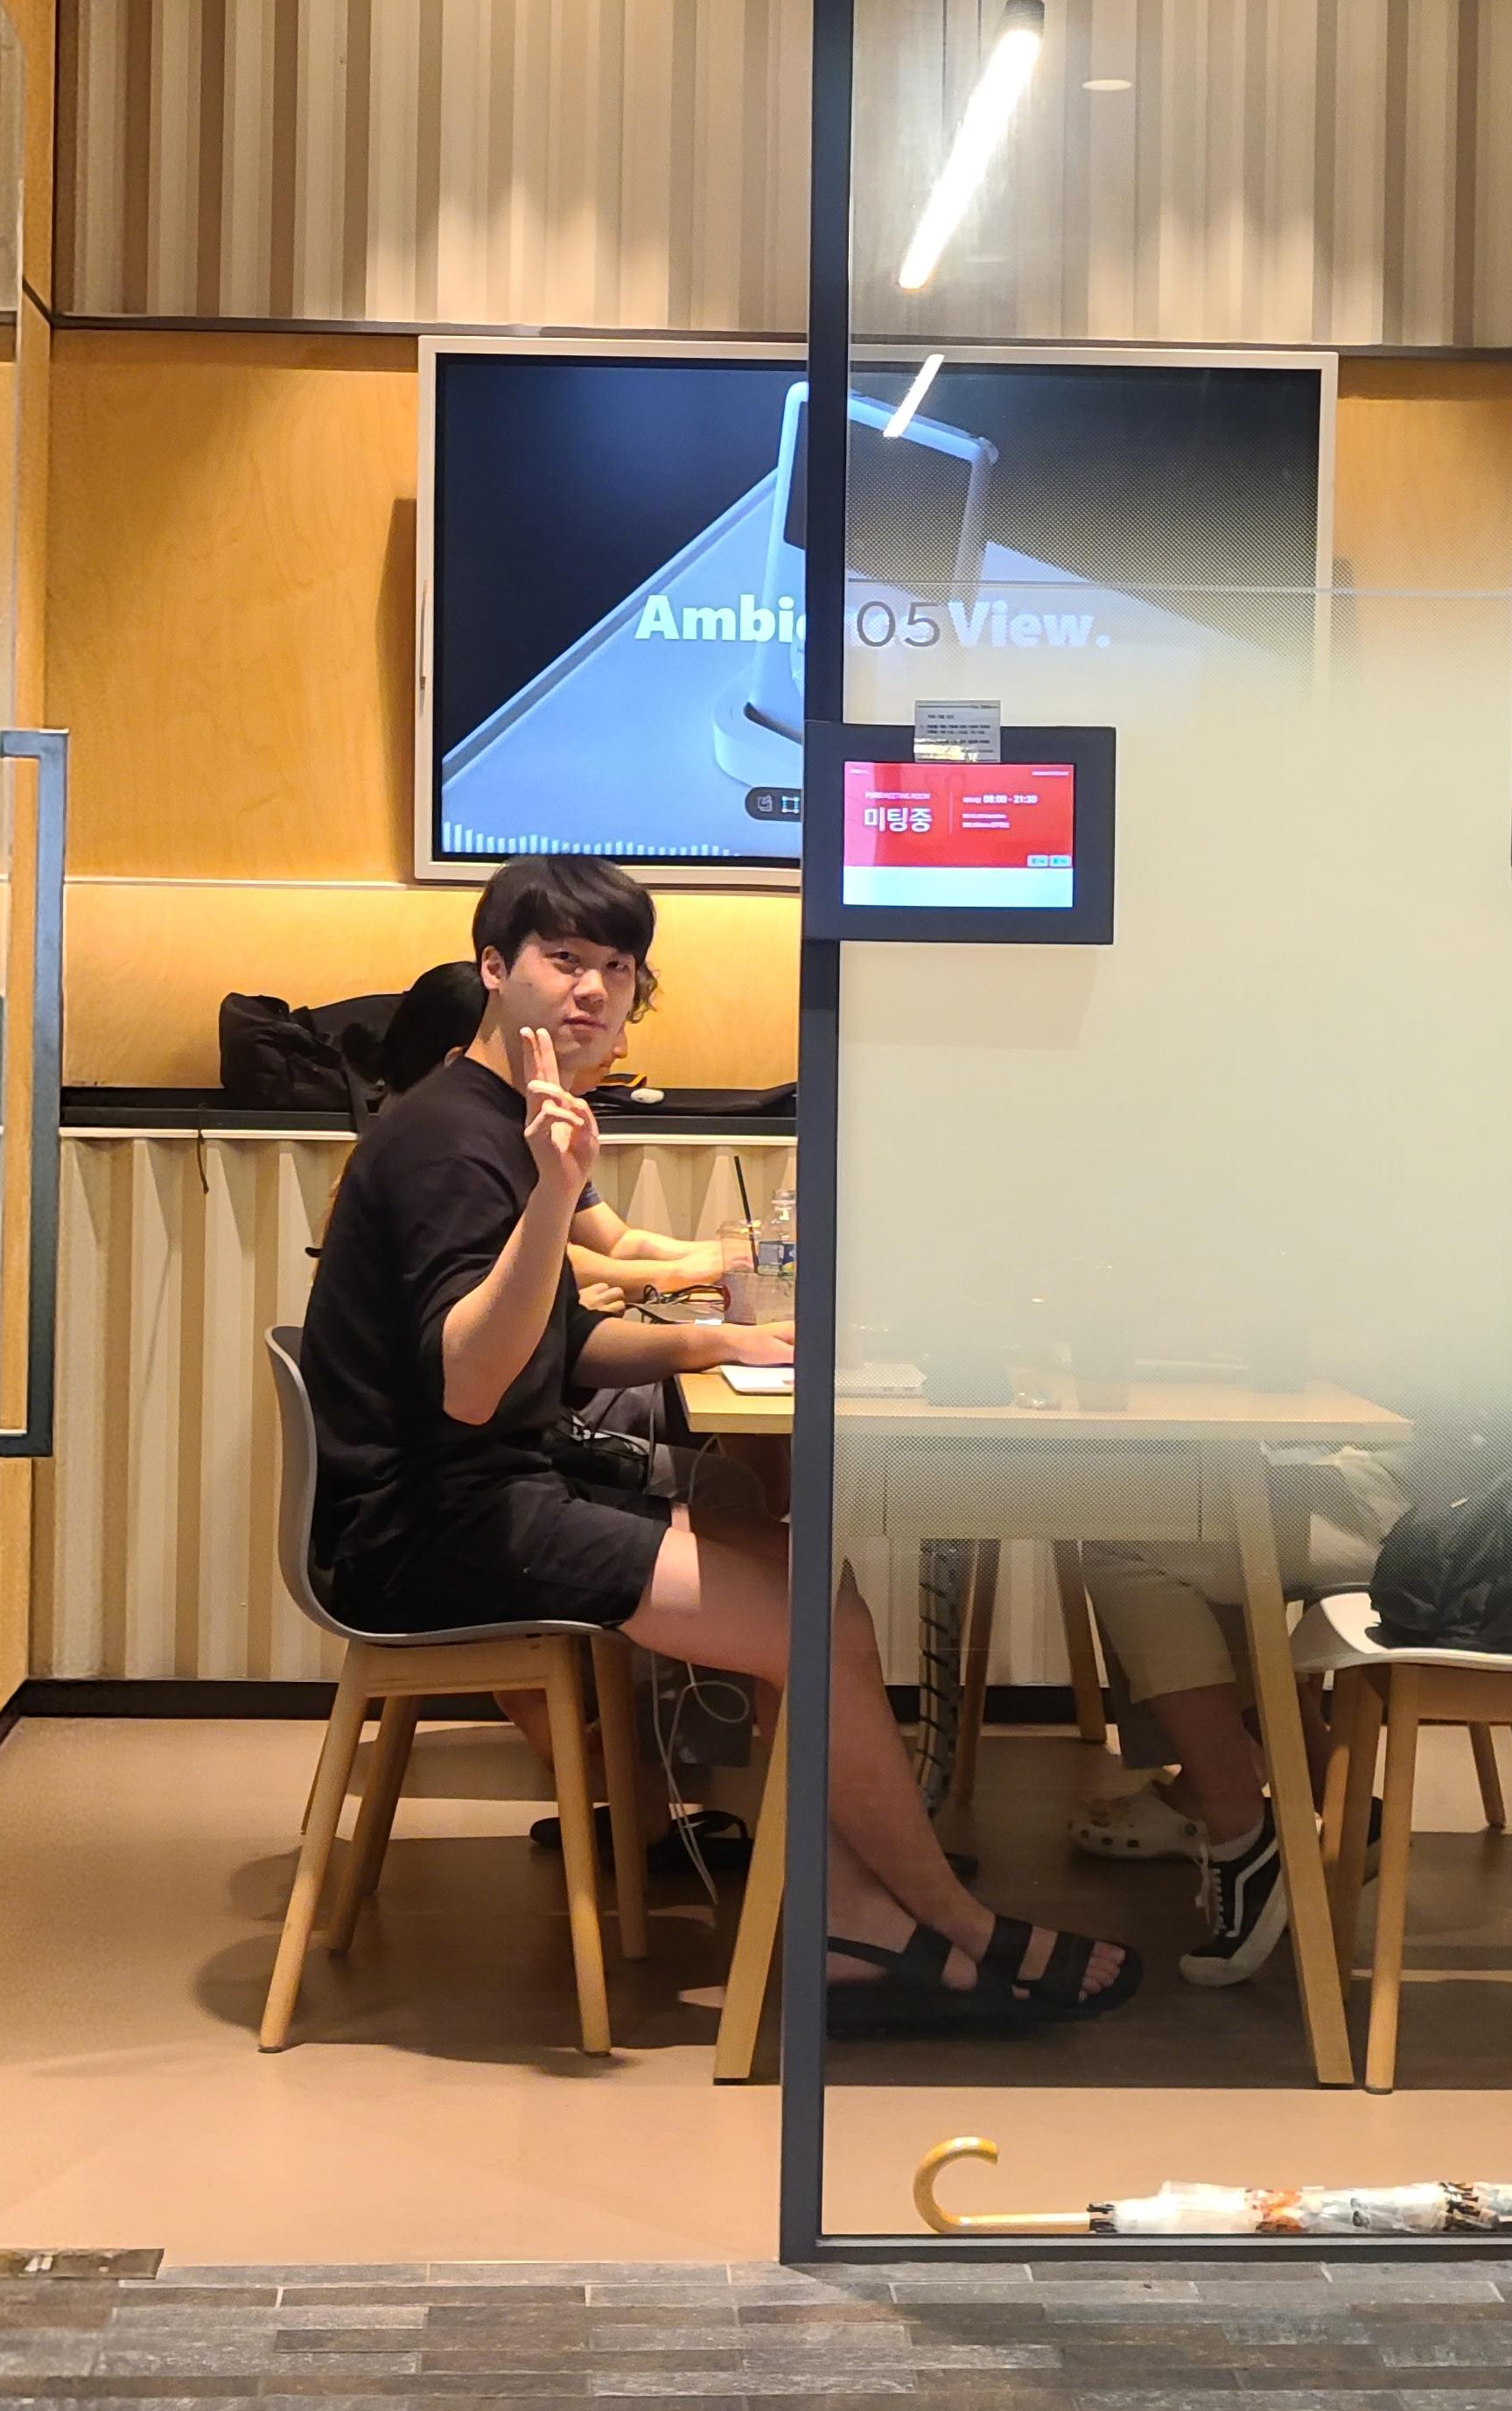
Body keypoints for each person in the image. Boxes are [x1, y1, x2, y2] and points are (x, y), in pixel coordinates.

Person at [300, 853, 1138, 2033]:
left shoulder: (499, 1116)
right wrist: (555, 1195)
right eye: (563, 961)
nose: (594, 990)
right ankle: (949, 1920)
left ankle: (857, 1917)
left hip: (488, 1492)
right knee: (818, 1624)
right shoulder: (455, 1140)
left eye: (618, 968)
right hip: (433, 1529)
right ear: (494, 969)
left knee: (813, 1587)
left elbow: (558, 1340)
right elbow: (476, 1385)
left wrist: (724, 1344)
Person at [1072, 1447, 1407, 1988]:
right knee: (1196, 1503)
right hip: (1418, 1485)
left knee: (1126, 1540)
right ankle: (1337, 1803)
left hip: (1420, 1508)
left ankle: (1241, 1831)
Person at [376, 957, 726, 1301]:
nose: (619, 1049)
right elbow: (521, 1264)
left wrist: (725, 1256)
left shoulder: (537, 1123)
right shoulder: (447, 1149)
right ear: (458, 1063)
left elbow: (613, 1242)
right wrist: (680, 1274)